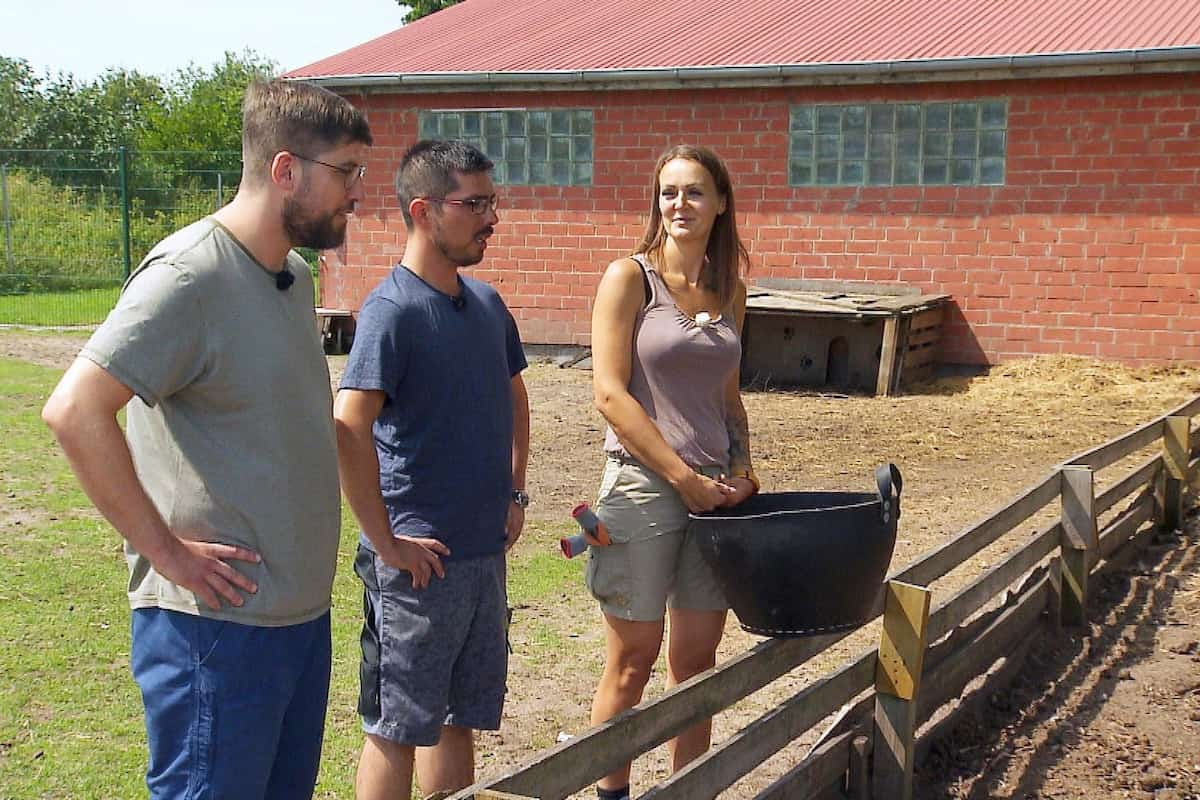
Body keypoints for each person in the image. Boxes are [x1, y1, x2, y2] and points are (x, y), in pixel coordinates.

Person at [40, 79, 372, 799]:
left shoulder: (290, 274)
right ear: (286, 170)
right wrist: (163, 552)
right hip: (214, 636)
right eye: (346, 172)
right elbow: (75, 411)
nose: (357, 193)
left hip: (297, 624)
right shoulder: (189, 275)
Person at [333, 139, 530, 800]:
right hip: (416, 567)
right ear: (423, 210)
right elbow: (347, 426)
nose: (491, 217)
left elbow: (515, 397)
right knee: (396, 727)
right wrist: (386, 542)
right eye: (473, 203)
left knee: (458, 720)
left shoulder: (487, 305)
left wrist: (515, 492)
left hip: (480, 558)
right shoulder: (390, 313)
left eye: (491, 201)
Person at [586, 144, 757, 800]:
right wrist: (680, 475)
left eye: (693, 191)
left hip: (714, 495)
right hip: (641, 486)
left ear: (720, 202)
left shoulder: (731, 291)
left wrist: (743, 470)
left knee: (697, 666)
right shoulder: (630, 278)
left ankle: (691, 790)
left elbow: (729, 398)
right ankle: (612, 793)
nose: (679, 204)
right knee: (631, 663)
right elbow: (610, 394)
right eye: (668, 192)